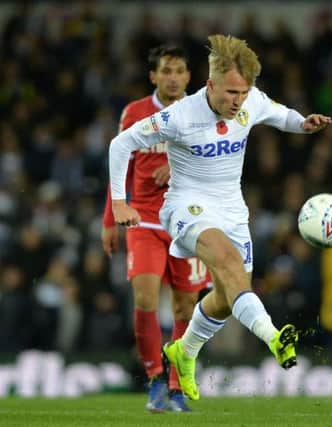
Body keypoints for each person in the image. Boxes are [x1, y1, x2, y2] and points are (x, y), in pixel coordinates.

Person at [108, 34, 332, 402]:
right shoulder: (179, 116)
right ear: (210, 85)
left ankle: (184, 351)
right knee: (227, 262)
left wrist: (303, 124)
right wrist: (119, 201)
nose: (237, 101)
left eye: (242, 94)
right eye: (230, 93)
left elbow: (282, 116)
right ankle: (275, 337)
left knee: (228, 298)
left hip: (231, 210)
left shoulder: (252, 101)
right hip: (186, 207)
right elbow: (121, 145)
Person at [101, 45, 211, 412]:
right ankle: (155, 381)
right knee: (146, 299)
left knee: (184, 310)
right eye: (166, 71)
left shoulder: (204, 111)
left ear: (188, 76)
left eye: (179, 70)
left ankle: (178, 388)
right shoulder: (134, 113)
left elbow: (219, 165)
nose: (173, 77)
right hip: (144, 220)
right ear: (154, 76)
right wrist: (109, 219)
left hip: (189, 221)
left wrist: (179, 169)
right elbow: (121, 166)